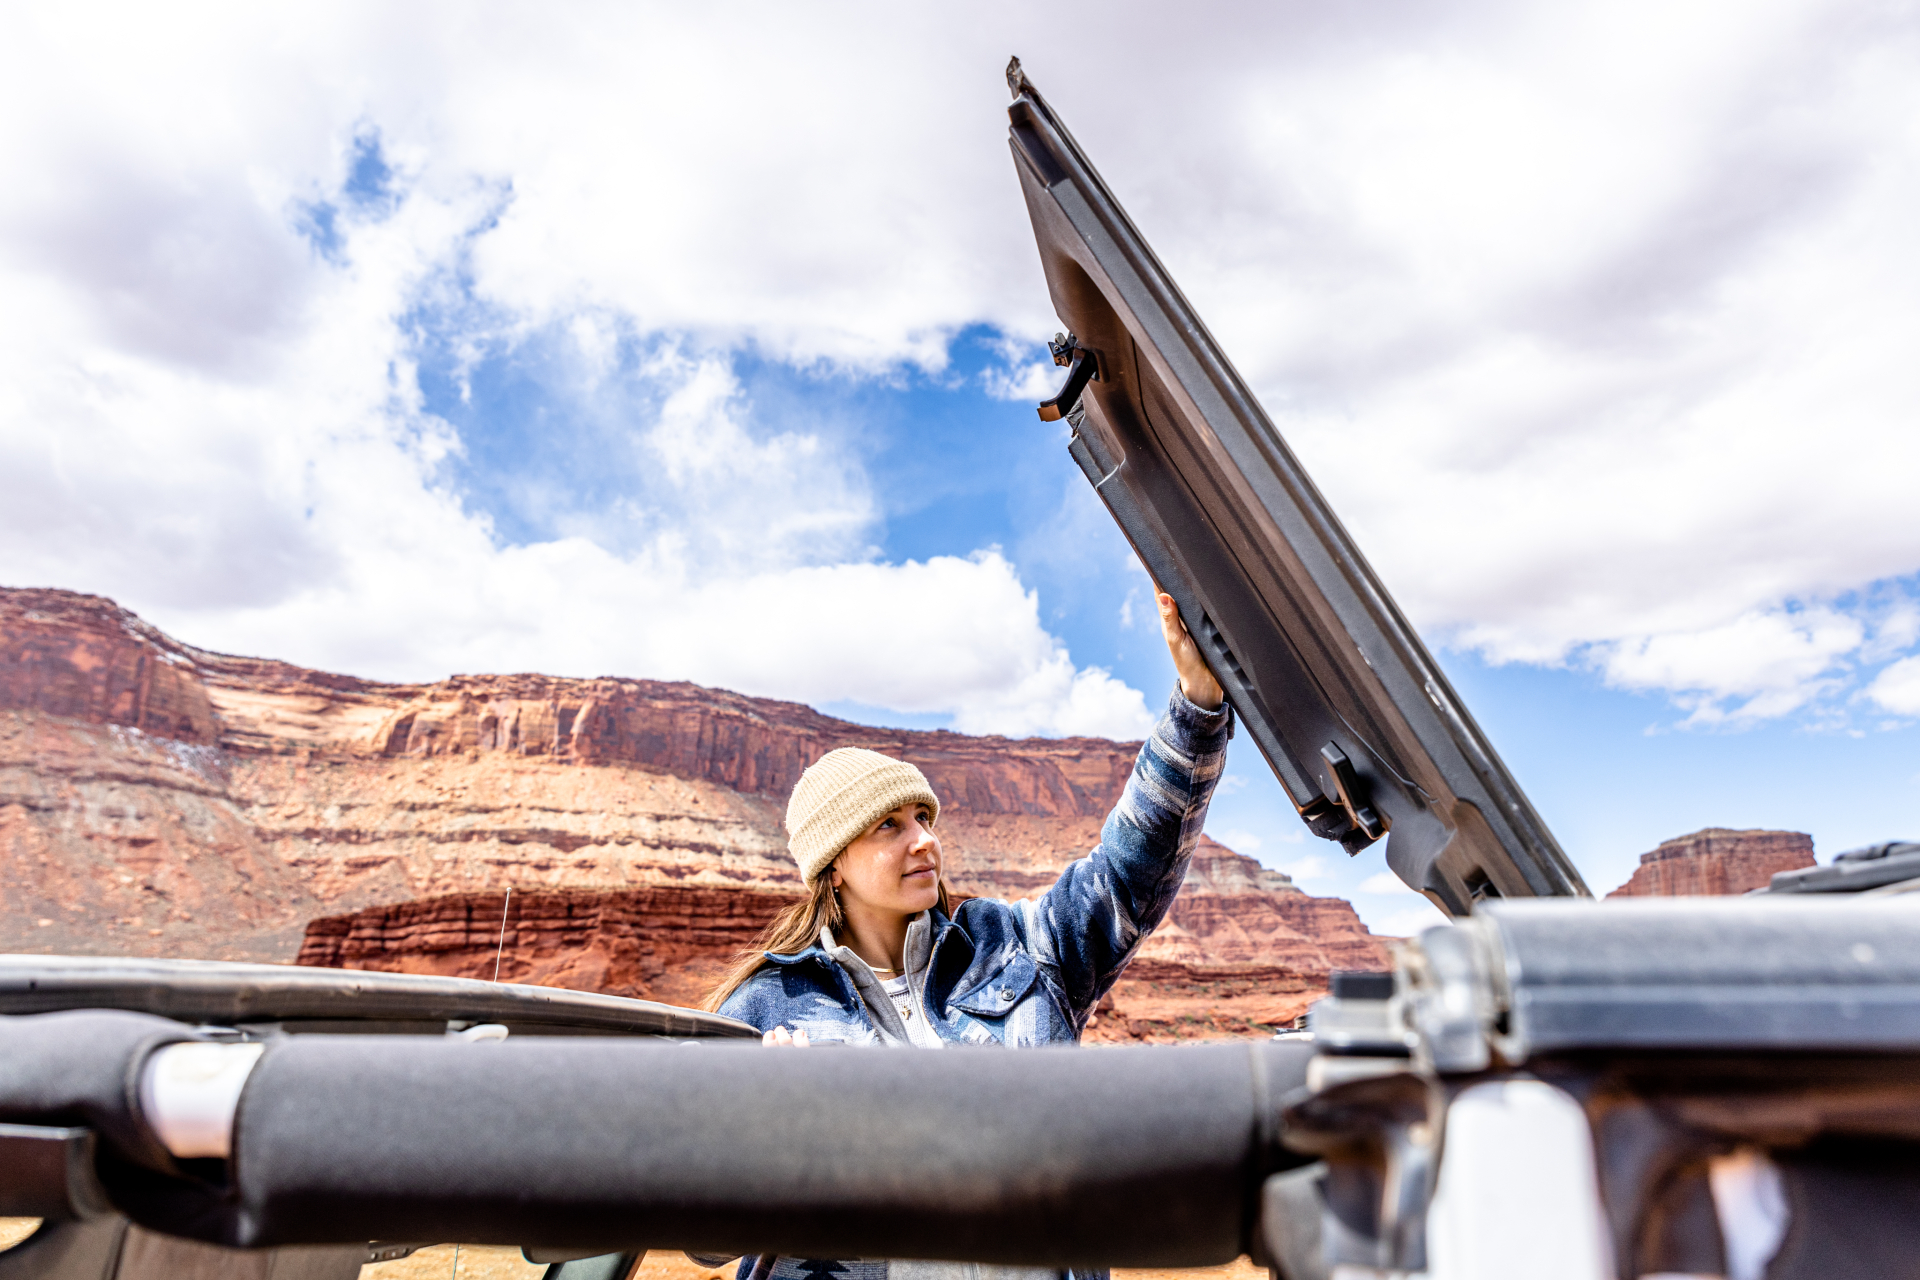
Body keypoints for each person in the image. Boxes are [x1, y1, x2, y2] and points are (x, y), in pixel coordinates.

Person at [696, 593, 1231, 1280]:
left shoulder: (1016, 949)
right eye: (889, 825)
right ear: (832, 866)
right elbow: (707, 1242)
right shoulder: (767, 1007)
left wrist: (1197, 707)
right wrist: (764, 1136)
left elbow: (1129, 871)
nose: (925, 841)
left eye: (924, 817)